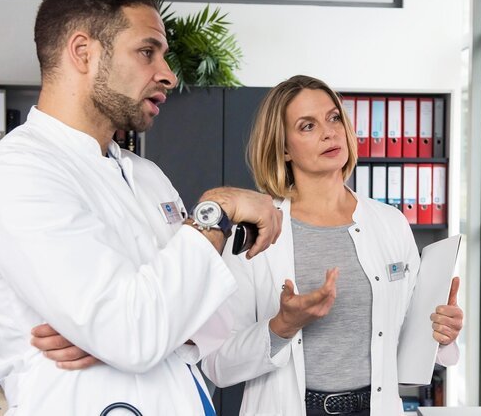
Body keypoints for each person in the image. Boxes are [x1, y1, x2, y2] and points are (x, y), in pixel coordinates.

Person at [0, 0, 281, 414]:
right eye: (147, 52)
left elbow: (215, 324)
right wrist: (215, 212)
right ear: (83, 52)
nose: (168, 74)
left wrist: (115, 335)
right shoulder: (15, 174)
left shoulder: (146, 176)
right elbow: (134, 333)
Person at [199, 75, 464, 416]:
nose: (329, 133)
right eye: (308, 126)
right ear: (283, 147)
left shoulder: (390, 223)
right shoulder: (252, 233)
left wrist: (442, 332)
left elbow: (406, 337)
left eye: (334, 117)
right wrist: (282, 326)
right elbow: (217, 364)